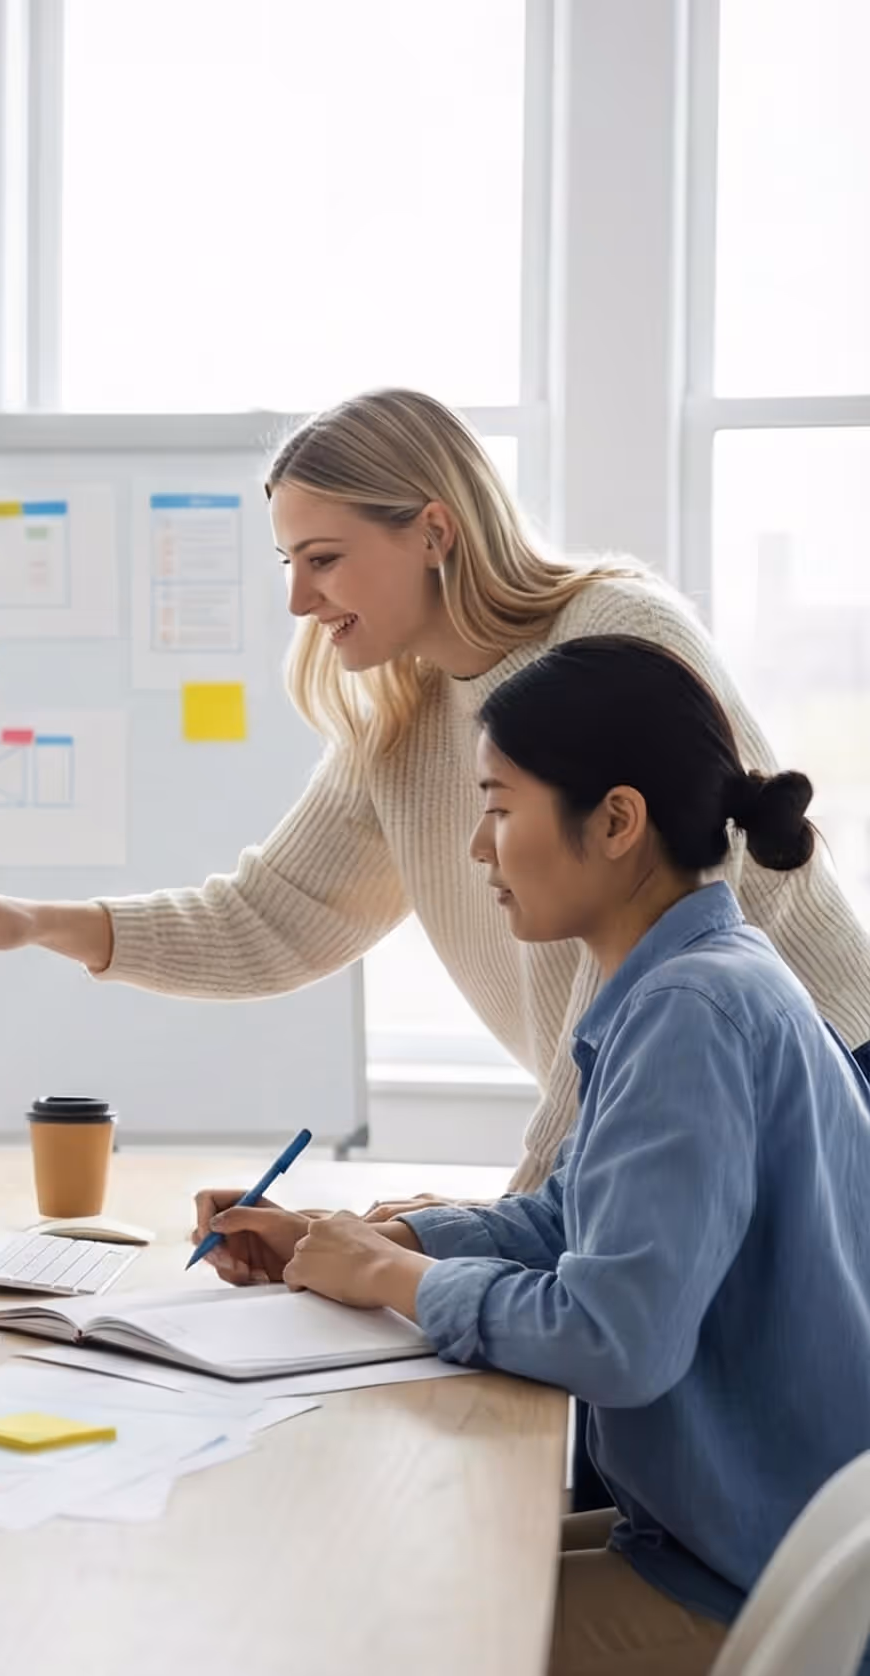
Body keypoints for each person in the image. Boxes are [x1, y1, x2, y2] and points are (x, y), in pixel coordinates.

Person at [0, 389, 870, 1199]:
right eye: (288, 562)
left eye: (324, 558)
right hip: (653, 1121)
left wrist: (510, 1214)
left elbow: (649, 967)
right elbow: (273, 919)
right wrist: (37, 920)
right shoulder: (403, 705)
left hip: (819, 1088)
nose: (298, 598)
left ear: (433, 528)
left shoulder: (613, 640)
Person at [195, 637, 870, 1676]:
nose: (477, 848)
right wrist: (381, 1236)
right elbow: (573, 1218)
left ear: (615, 821)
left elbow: (614, 1337)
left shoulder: (693, 1008)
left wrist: (391, 1275)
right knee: (389, 1567)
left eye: (500, 807)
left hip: (733, 1582)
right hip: (723, 1544)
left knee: (360, 1631)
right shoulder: (680, 974)